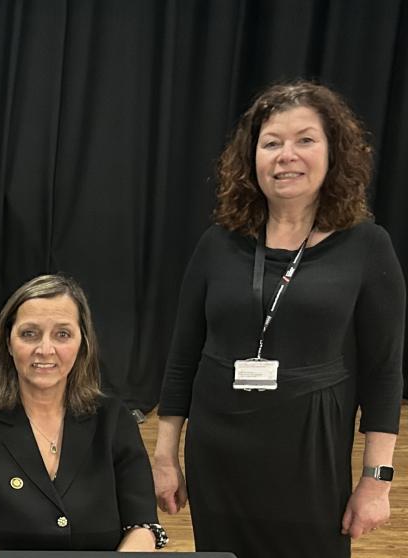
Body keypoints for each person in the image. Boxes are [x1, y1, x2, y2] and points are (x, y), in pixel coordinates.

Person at [154, 81, 404, 558]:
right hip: (218, 454)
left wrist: (376, 482)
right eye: (271, 143)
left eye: (305, 140)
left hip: (310, 457)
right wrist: (165, 457)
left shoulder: (368, 247)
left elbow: (384, 374)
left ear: (334, 152)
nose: (286, 155)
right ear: (252, 158)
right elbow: (182, 358)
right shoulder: (218, 243)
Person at [0, 274, 166, 552]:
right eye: (29, 333)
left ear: (83, 342)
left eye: (62, 334)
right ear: (8, 342)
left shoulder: (115, 420)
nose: (45, 350)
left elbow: (143, 527)